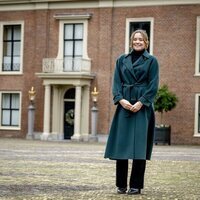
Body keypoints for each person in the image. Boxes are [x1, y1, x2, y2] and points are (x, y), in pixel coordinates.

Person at [104, 29, 159, 195]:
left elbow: (153, 85)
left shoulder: (152, 60)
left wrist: (141, 102)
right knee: (122, 146)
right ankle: (121, 185)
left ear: (146, 42)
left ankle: (136, 186)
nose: (137, 42)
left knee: (139, 148)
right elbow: (116, 83)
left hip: (143, 109)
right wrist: (121, 100)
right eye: (135, 39)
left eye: (141, 39)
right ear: (131, 41)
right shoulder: (121, 60)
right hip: (124, 106)